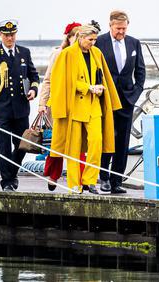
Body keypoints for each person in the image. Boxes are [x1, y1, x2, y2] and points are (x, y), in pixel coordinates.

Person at [48, 23, 122, 193]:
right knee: (73, 148)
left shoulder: (97, 53)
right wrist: (87, 87)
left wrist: (101, 88)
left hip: (94, 106)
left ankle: (90, 181)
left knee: (97, 143)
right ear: (80, 37)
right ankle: (74, 184)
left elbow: (102, 76)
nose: (93, 43)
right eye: (90, 39)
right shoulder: (66, 54)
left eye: (95, 40)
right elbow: (62, 82)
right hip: (74, 108)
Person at [0, 19, 40, 191]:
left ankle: (11, 172)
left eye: (12, 34)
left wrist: (33, 90)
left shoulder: (24, 53)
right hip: (1, 108)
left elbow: (34, 77)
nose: (10, 38)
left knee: (23, 145)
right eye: (6, 35)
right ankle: (8, 182)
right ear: (0, 35)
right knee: (3, 147)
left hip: (21, 109)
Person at [95, 10, 145, 194]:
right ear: (110, 26)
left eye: (124, 28)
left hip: (126, 99)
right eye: (118, 29)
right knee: (106, 139)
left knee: (123, 142)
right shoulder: (99, 42)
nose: (121, 32)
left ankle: (117, 180)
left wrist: (136, 92)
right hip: (105, 100)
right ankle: (104, 178)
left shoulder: (134, 43)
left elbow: (140, 71)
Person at [38, 21, 81, 190]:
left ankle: (79, 180)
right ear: (69, 38)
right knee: (56, 143)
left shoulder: (84, 55)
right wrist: (42, 103)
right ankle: (53, 176)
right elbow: (47, 80)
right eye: (75, 37)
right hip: (58, 104)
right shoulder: (58, 54)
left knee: (78, 144)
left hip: (78, 104)